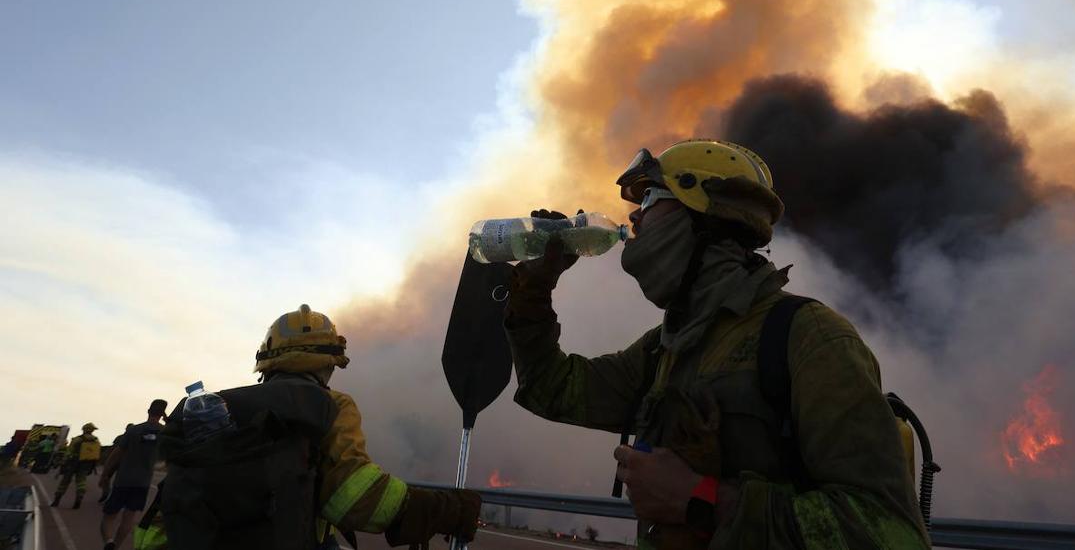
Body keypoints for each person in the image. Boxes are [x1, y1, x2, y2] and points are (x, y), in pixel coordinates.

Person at [504, 139, 930, 549]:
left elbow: (889, 533)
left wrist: (703, 500)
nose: (634, 220)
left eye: (650, 200)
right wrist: (535, 290)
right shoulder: (665, 349)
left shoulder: (809, 338)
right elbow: (551, 387)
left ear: (704, 219)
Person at [134, 304, 481, 550]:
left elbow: (166, 512)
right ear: (329, 364)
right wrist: (442, 509)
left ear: (266, 361)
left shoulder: (218, 408)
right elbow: (354, 497)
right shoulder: (330, 405)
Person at [98, 402, 166, 550]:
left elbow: (116, 454)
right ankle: (117, 545)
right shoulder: (163, 433)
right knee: (128, 518)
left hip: (123, 479)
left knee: (109, 517)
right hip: (143, 482)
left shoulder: (134, 430)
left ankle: (109, 541)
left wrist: (105, 474)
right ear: (162, 414)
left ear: (148, 411)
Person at [52, 423, 102, 508]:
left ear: (84, 429)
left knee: (65, 481)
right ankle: (79, 498)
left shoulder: (77, 439)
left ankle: (57, 500)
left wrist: (63, 463)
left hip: (73, 462)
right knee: (81, 482)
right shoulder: (96, 440)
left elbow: (69, 452)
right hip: (86, 464)